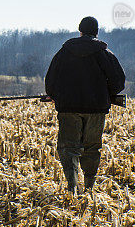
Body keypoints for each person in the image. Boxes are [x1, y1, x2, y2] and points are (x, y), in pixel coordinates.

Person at [45, 16, 125, 194]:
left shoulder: (64, 52)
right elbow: (118, 83)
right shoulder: (105, 54)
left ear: (80, 31)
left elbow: (51, 79)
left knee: (68, 147)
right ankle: (89, 187)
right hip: (96, 109)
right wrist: (106, 93)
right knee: (92, 147)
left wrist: (54, 95)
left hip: (68, 109)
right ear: (96, 32)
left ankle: (72, 186)